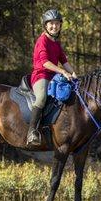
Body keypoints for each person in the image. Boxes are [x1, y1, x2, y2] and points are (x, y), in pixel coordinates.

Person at [26, 9, 78, 147]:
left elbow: (64, 61)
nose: (54, 26)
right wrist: (62, 72)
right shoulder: (42, 40)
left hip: (54, 76)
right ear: (45, 25)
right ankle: (32, 132)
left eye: (57, 23)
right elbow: (44, 62)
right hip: (41, 76)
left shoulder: (56, 42)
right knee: (42, 97)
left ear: (60, 25)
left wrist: (74, 75)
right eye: (51, 24)